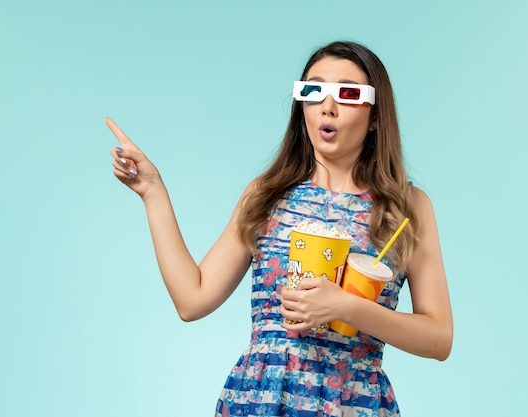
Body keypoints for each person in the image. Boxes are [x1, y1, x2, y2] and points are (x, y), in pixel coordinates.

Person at [107, 40, 453, 417]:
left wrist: (347, 308)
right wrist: (153, 193)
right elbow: (192, 300)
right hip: (259, 401)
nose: (328, 106)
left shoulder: (406, 208)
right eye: (314, 90)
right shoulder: (266, 195)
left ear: (375, 116)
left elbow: (439, 339)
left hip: (354, 404)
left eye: (348, 93)